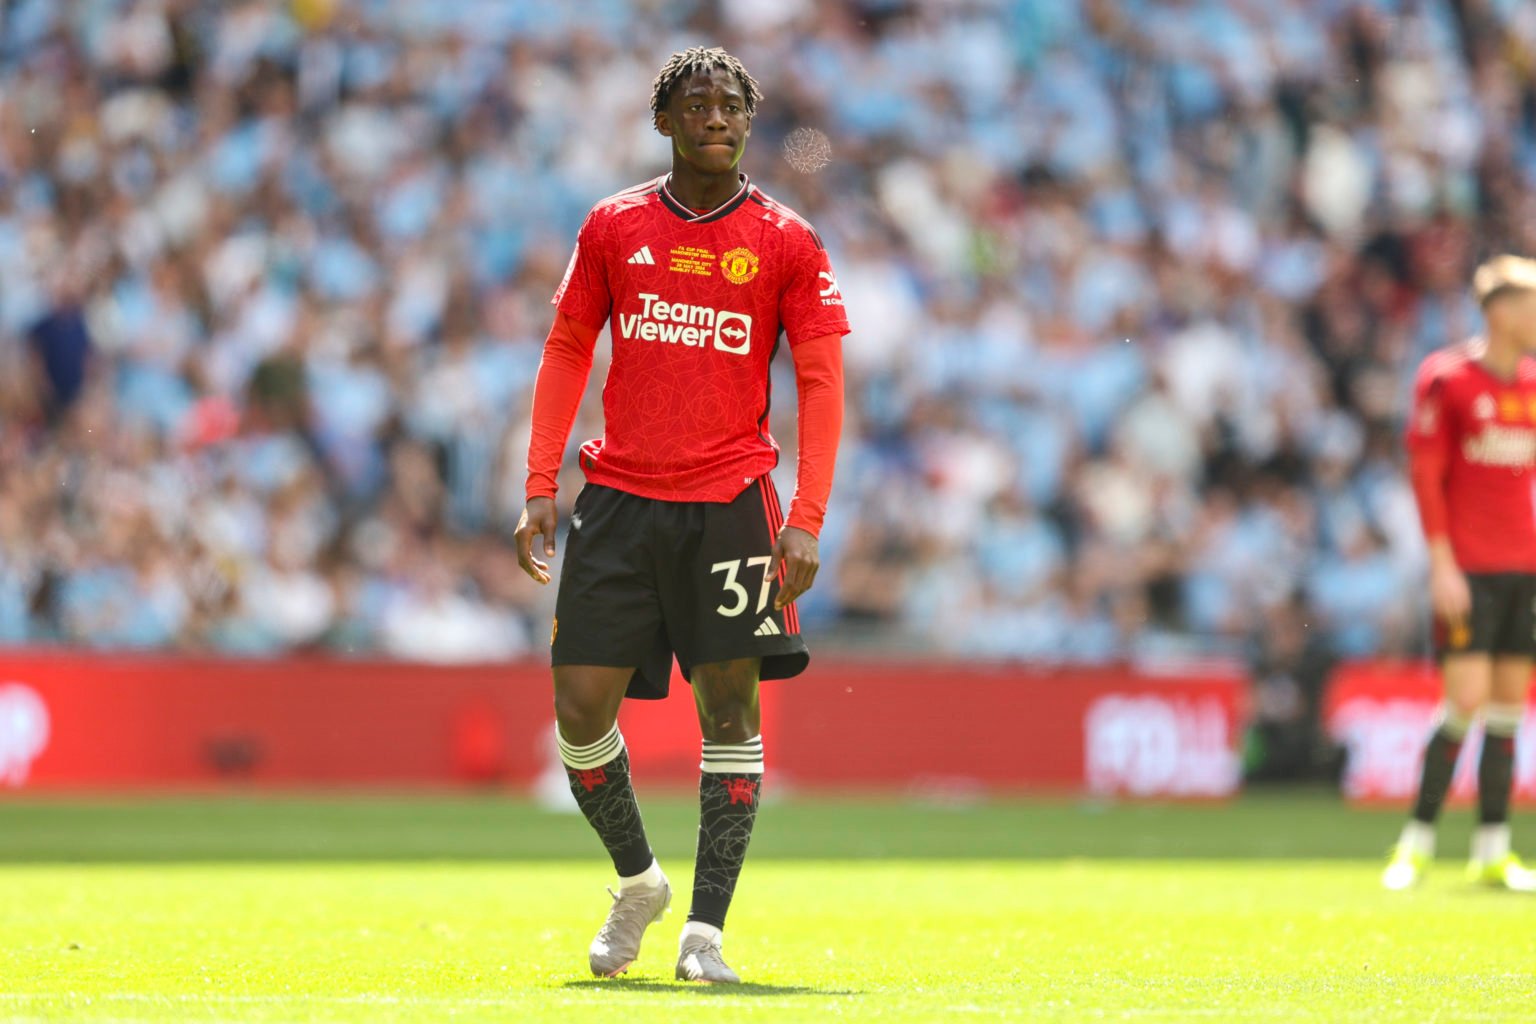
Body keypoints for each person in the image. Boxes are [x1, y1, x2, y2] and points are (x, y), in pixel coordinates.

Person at [514, 46, 849, 981]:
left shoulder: (788, 239)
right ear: (665, 121)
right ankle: (638, 882)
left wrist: (808, 514)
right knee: (579, 709)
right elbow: (568, 345)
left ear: (750, 121)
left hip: (732, 503)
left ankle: (706, 934)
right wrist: (541, 484)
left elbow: (821, 384)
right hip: (618, 499)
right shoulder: (614, 225)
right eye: (697, 104)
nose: (716, 117)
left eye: (732, 105)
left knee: (730, 709)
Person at [1384, 255, 1536, 891]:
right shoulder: (1446, 379)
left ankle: (1493, 849)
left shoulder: (1531, 384)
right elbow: (1426, 476)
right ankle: (1415, 843)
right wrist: (1441, 564)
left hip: (1523, 568)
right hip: (1467, 568)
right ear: (1500, 311)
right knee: (1465, 700)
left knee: (1507, 708)